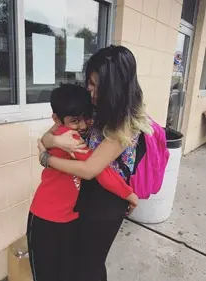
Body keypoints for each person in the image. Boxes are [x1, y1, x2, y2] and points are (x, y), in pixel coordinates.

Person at [38, 45, 153, 281]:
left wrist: (47, 158)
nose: (88, 89)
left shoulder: (125, 122)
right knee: (77, 260)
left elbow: (90, 169)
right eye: (88, 82)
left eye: (94, 83)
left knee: (90, 265)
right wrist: (53, 140)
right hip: (84, 194)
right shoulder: (96, 108)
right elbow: (49, 135)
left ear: (113, 85)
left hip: (107, 201)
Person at [27, 83, 138, 281]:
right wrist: (130, 194)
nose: (83, 125)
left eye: (85, 118)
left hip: (68, 217)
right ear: (57, 119)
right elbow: (99, 172)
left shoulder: (68, 131)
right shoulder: (71, 138)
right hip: (46, 218)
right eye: (75, 120)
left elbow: (49, 136)